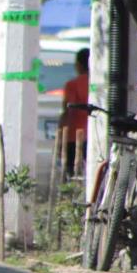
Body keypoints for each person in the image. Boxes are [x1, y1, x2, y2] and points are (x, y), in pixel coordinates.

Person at [60, 48, 90, 177]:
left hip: (74, 135)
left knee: (72, 174)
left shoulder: (72, 85)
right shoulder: (98, 84)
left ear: (79, 65)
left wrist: (62, 132)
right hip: (93, 136)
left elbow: (68, 110)